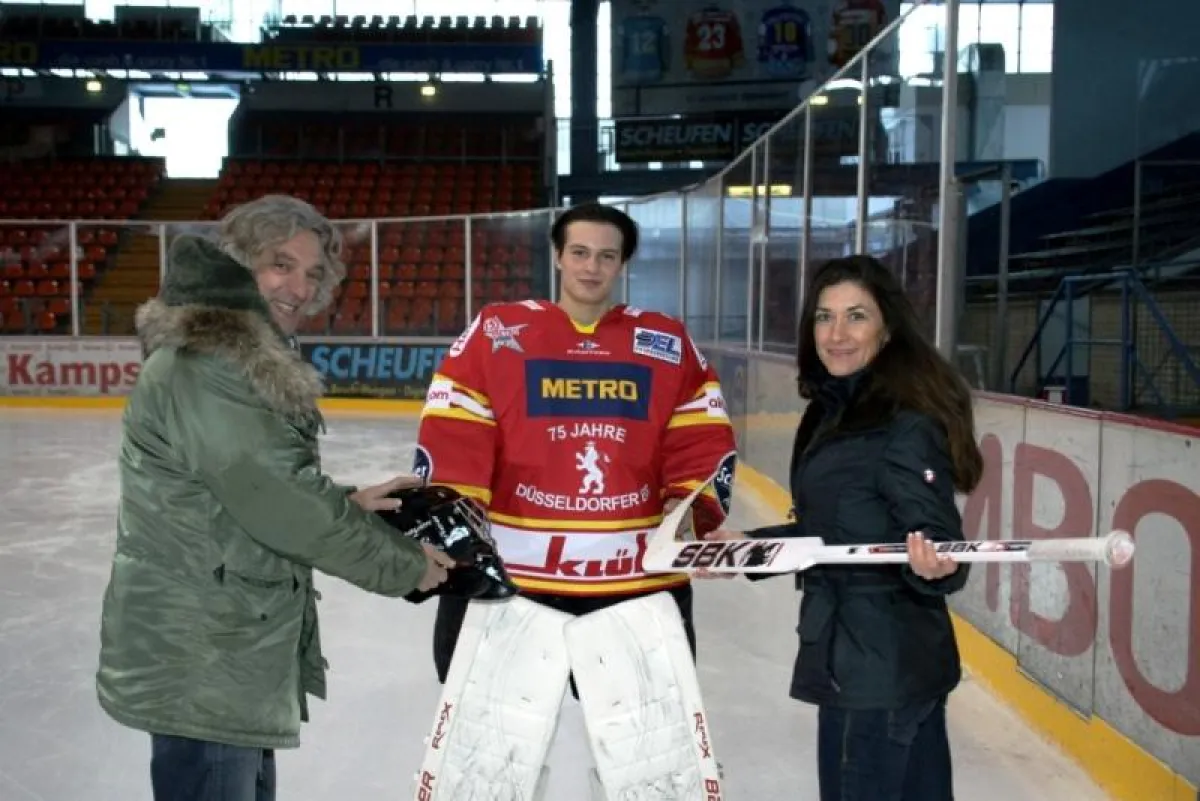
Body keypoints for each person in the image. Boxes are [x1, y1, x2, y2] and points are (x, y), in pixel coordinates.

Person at [95, 194, 455, 801]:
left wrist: (349, 501)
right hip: (207, 648)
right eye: (279, 264)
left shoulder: (232, 356)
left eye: (313, 273)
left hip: (227, 637)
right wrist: (408, 568)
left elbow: (243, 490)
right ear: (238, 265)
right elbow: (281, 504)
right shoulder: (208, 364)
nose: (299, 287)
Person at [413, 201, 739, 684]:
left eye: (606, 256)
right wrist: (459, 530)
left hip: (636, 580)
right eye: (580, 252)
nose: (592, 267)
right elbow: (456, 431)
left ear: (622, 262)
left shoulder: (665, 341)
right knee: (491, 747)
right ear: (559, 256)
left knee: (642, 749)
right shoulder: (497, 332)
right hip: (511, 577)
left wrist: (691, 513)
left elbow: (699, 437)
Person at [703, 254, 983, 801]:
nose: (836, 334)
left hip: (878, 672)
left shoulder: (902, 421)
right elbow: (831, 534)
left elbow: (936, 534)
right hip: (870, 662)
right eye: (823, 317)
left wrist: (940, 566)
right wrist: (747, 551)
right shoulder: (835, 411)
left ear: (888, 328)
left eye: (856, 316)